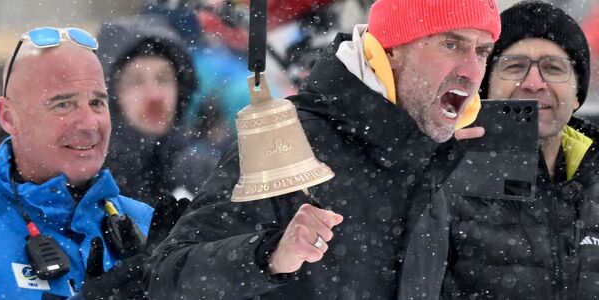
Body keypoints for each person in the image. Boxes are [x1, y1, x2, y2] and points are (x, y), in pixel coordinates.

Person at [146, 0, 500, 298]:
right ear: (391, 50)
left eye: (482, 52)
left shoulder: (441, 159)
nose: (471, 71)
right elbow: (167, 277)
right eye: (451, 45)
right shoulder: (292, 136)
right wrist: (268, 255)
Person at [0, 27, 185, 299]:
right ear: (8, 117)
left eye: (96, 102)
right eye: (63, 105)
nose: (89, 123)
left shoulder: (147, 225)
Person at [440, 1, 598, 298]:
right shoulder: (441, 173)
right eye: (514, 66)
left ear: (578, 94)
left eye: (553, 68)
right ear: (486, 87)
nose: (534, 83)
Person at [96, 15, 215, 201]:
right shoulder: (89, 184)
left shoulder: (206, 175)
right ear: (110, 95)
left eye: (164, 79)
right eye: (135, 82)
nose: (155, 96)